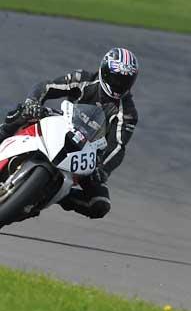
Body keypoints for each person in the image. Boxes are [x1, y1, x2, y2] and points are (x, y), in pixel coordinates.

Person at [0, 48, 139, 219]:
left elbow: (117, 146)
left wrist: (102, 169)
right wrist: (33, 102)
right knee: (21, 112)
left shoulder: (128, 113)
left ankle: (50, 194)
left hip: (87, 152)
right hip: (61, 122)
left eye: (125, 80)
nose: (119, 84)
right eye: (116, 77)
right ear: (104, 71)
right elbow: (47, 86)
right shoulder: (84, 79)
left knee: (100, 204)